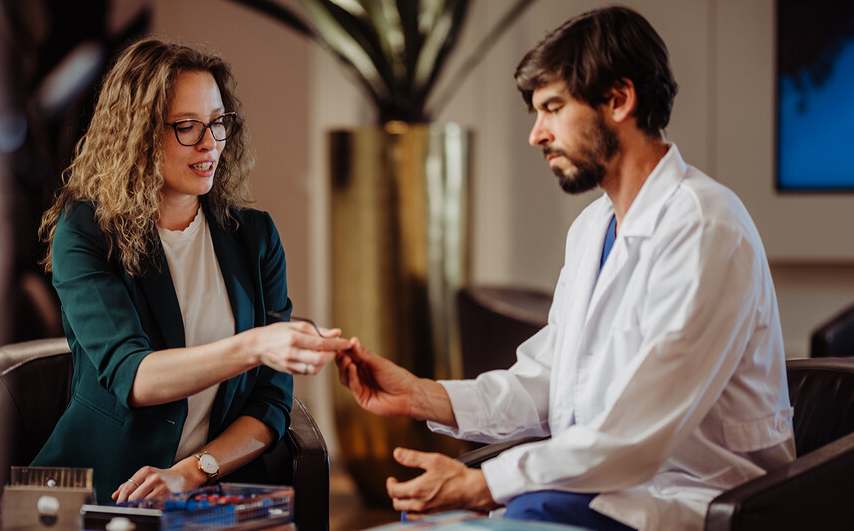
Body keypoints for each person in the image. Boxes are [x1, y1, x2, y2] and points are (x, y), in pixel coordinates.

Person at [336, 6, 795, 530]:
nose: (537, 134)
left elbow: (637, 434)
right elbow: (548, 382)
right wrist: (421, 395)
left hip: (689, 499)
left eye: (553, 108)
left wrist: (485, 483)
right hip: (597, 492)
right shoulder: (593, 228)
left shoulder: (707, 229)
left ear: (619, 100)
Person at [31, 38, 351, 504]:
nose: (210, 144)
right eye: (187, 126)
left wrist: (193, 471)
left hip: (205, 498)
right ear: (135, 134)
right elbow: (134, 377)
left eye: (218, 123)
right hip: (100, 495)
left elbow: (271, 402)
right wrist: (256, 344)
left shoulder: (255, 237)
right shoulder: (86, 231)